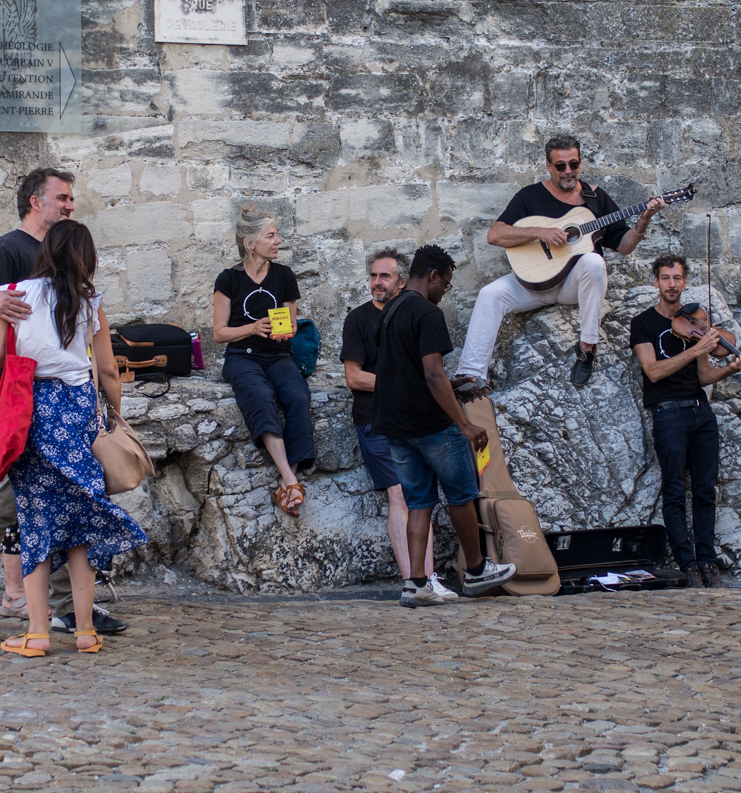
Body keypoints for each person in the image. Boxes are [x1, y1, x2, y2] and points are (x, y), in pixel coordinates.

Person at [0, 167, 128, 643]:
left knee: (58, 505)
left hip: (53, 401)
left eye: (70, 199)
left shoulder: (65, 273)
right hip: (24, 399)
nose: (69, 204)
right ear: (34, 202)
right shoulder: (8, 250)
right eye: (62, 198)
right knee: (5, 506)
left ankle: (64, 612)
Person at [0, 219, 149, 655]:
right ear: (85, 258)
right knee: (78, 524)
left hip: (32, 410)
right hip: (78, 410)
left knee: (36, 519)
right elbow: (109, 369)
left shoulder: (15, 292)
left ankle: (36, 633)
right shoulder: (91, 301)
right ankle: (86, 632)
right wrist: (114, 415)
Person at [456, 135, 664, 390]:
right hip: (532, 283)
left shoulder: (596, 198)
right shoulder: (529, 196)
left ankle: (587, 346)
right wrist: (539, 232)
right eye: (560, 166)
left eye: (573, 165)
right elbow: (494, 235)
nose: (568, 171)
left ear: (580, 164)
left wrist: (643, 221)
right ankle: (471, 377)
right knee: (489, 294)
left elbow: (624, 246)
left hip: (571, 287)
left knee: (593, 261)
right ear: (548, 166)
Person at [372, 244, 517, 607]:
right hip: (432, 425)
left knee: (419, 503)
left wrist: (455, 387)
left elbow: (405, 373)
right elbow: (433, 375)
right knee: (461, 496)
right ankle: (479, 568)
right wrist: (464, 423)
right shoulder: (427, 314)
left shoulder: (390, 310)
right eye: (447, 285)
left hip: (397, 427)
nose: (445, 293)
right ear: (433, 276)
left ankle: (416, 583)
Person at [630, 255, 741, 588]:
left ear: (685, 283)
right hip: (667, 412)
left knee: (705, 490)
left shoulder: (695, 320)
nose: (672, 284)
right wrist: (698, 346)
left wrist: (729, 368)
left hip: (701, 411)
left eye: (678, 278)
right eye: (666, 278)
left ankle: (707, 560)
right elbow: (653, 371)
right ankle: (687, 564)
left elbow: (704, 375)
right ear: (655, 283)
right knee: (673, 490)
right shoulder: (643, 323)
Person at [341, 250, 456, 601]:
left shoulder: (417, 314)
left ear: (402, 281)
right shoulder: (358, 319)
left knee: (421, 499)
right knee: (399, 497)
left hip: (417, 420)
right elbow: (354, 377)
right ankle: (412, 582)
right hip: (376, 420)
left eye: (385, 277)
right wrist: (402, 381)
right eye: (374, 276)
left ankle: (428, 580)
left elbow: (432, 370)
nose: (377, 282)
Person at [213, 207, 314, 517]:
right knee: (259, 395)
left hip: (278, 355)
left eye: (276, 235)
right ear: (250, 242)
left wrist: (286, 332)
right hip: (241, 357)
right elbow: (219, 332)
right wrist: (253, 328)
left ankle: (286, 484)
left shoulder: (283, 276)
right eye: (270, 236)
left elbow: (293, 324)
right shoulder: (228, 279)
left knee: (298, 396)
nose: (278, 241)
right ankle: (289, 479)